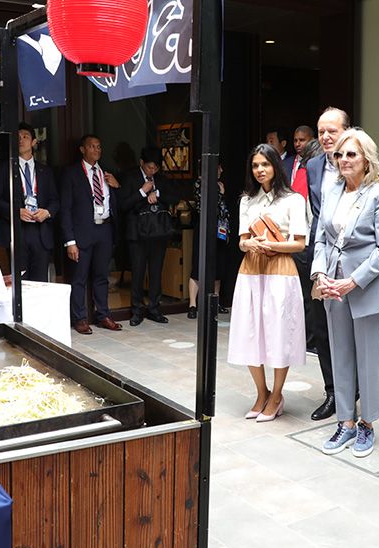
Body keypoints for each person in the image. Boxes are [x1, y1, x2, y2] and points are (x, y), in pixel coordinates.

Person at [311, 128, 379, 458]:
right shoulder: (330, 191)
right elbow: (320, 238)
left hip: (366, 288)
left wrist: (354, 281)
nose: (344, 160)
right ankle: (345, 421)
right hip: (332, 286)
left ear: (366, 160)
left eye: (352, 154)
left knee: (367, 360)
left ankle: (367, 424)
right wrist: (320, 273)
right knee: (340, 355)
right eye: (340, 155)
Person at [227, 144, 308, 422]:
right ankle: (261, 392)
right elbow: (240, 241)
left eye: (265, 164)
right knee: (250, 331)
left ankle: (277, 396)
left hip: (280, 268)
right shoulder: (246, 200)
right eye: (255, 165)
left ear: (276, 166)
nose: (260, 170)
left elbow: (299, 244)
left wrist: (272, 245)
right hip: (251, 268)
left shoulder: (293, 200)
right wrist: (250, 242)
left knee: (278, 333)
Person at [300, 107, 350, 421]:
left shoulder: (362, 162)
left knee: (350, 329)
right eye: (322, 132)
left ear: (347, 131)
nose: (326, 137)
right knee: (322, 329)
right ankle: (332, 391)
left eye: (332, 130)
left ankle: (354, 391)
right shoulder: (315, 165)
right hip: (320, 258)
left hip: (352, 260)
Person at [59, 134, 123, 334]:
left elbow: (115, 202)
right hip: (82, 232)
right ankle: (80, 318)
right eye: (92, 146)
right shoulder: (71, 173)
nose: (97, 150)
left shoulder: (107, 173)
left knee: (102, 275)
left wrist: (117, 187)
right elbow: (66, 209)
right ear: (82, 149)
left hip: (104, 229)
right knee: (79, 277)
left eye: (99, 146)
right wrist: (70, 241)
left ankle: (103, 315)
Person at [0, 122, 60, 282]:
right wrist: (16, 212)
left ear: (34, 142)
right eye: (18, 137)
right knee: (19, 281)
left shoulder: (45, 170)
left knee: (40, 281)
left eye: (25, 136)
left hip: (40, 231)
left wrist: (47, 212)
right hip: (17, 231)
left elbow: (55, 200)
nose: (21, 140)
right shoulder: (3, 169)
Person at [120, 146, 178, 325]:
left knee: (155, 272)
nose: (152, 171)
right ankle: (136, 310)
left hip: (158, 232)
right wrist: (142, 192)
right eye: (149, 168)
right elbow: (123, 205)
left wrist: (158, 193)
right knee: (137, 272)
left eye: (155, 168)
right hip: (137, 233)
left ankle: (154, 308)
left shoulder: (161, 179)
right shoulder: (130, 177)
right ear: (142, 163)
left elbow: (174, 197)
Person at [188, 162, 231, 319]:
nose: (221, 170)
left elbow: (223, 209)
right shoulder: (200, 183)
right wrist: (220, 193)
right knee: (198, 265)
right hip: (204, 227)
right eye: (219, 167)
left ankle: (216, 302)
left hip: (219, 229)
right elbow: (206, 206)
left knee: (218, 266)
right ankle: (193, 304)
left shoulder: (220, 184)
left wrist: (222, 192)